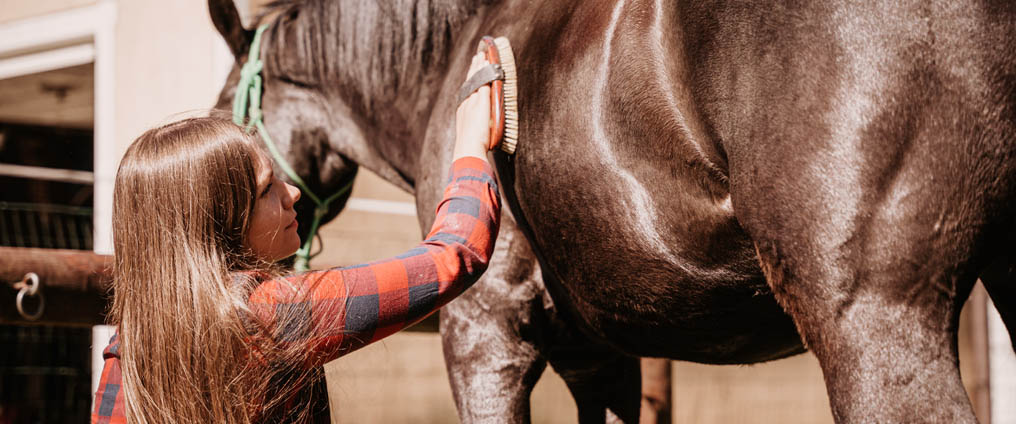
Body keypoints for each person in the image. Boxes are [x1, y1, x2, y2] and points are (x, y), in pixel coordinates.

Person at [92, 53, 500, 423]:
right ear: (221, 221)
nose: (293, 193)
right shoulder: (269, 317)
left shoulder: (127, 351)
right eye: (268, 188)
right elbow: (453, 255)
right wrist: (469, 144)